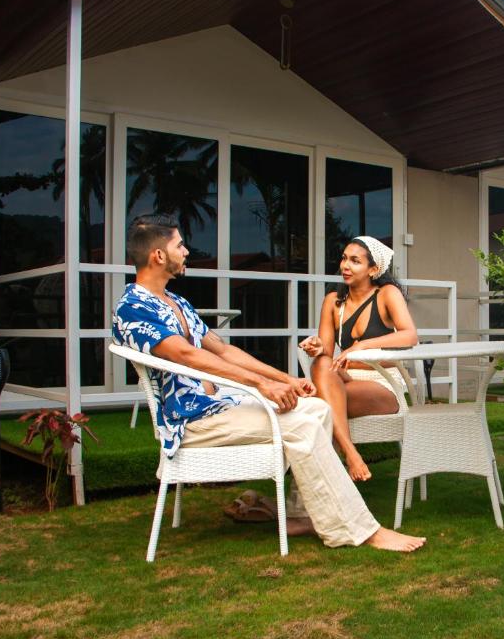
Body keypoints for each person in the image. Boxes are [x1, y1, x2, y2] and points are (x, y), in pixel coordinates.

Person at [112, 214, 425, 553]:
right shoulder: (134, 308)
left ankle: (307, 514)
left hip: (222, 406)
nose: (187, 251)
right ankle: (362, 530)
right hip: (193, 419)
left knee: (317, 407)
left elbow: (224, 350)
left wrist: (286, 379)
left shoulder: (177, 304)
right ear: (158, 256)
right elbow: (188, 356)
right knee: (302, 426)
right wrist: (260, 387)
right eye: (179, 245)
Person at [299, 236, 417, 482]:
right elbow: (326, 352)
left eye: (355, 261)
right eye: (344, 259)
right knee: (320, 363)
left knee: (313, 404)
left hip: (384, 383)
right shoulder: (333, 301)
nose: (345, 266)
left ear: (373, 269)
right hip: (344, 378)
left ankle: (333, 468)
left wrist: (362, 345)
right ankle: (350, 452)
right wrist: (316, 346)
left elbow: (410, 336)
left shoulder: (387, 294)